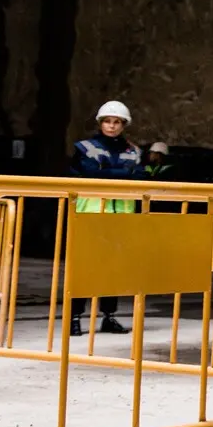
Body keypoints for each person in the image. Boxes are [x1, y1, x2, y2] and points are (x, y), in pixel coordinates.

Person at [69, 100, 143, 335]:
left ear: (124, 125)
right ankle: (75, 317)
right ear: (101, 123)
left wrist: (106, 172)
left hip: (120, 217)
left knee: (114, 269)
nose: (112, 126)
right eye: (108, 122)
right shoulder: (85, 147)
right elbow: (90, 173)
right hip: (90, 214)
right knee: (84, 268)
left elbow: (140, 177)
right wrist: (123, 174)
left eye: (117, 122)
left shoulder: (133, 150)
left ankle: (109, 317)